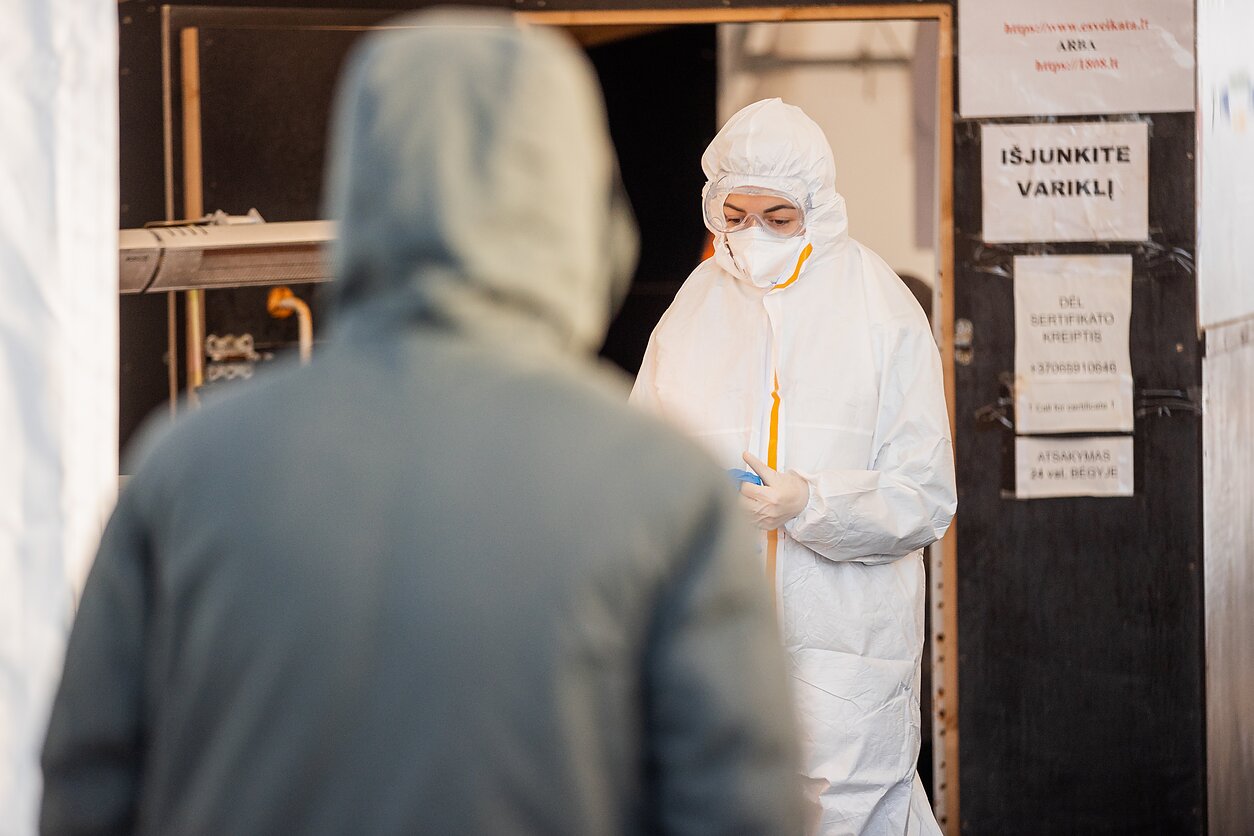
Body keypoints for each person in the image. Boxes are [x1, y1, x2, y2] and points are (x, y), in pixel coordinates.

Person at [40, 15, 804, 835]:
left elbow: (87, 794)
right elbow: (739, 811)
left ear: (359, 191)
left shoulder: (187, 470)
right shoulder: (665, 494)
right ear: (588, 214)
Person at [631, 98, 957, 835]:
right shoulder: (693, 308)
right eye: (736, 215)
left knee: (848, 815)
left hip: (845, 658)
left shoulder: (879, 308)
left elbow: (924, 496)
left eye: (778, 217)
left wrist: (811, 504)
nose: (754, 235)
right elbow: (638, 462)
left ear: (817, 205)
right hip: (716, 644)